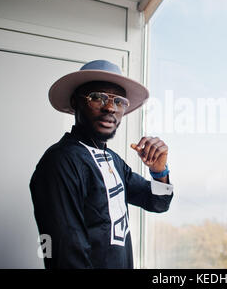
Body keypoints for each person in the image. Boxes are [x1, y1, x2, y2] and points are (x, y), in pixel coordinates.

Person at [30, 60, 173, 269]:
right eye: (97, 97)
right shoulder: (60, 162)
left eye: (119, 101)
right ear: (75, 102)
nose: (110, 108)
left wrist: (159, 170)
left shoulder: (112, 160)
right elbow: (65, 258)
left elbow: (158, 202)